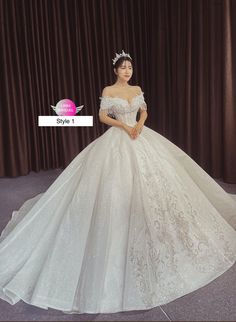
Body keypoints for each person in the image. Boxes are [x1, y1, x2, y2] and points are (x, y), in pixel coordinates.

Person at [0, 50, 236, 315]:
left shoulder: (136, 88)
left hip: (141, 134)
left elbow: (145, 110)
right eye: (122, 67)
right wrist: (125, 127)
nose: (127, 71)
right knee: (114, 187)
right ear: (115, 71)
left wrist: (140, 125)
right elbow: (102, 117)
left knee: (163, 185)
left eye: (129, 67)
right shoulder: (109, 89)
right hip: (118, 137)